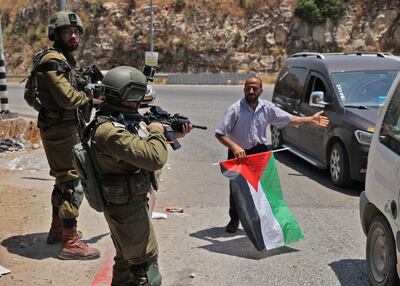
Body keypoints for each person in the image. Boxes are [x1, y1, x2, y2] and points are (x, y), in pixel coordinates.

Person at [89, 66, 191, 286]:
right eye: (133, 97)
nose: (137, 103)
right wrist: (157, 130)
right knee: (146, 270)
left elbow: (140, 144)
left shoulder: (115, 122)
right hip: (127, 210)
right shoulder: (108, 131)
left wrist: (171, 133)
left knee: (125, 262)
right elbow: (154, 157)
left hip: (128, 205)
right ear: (117, 96)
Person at [215, 76, 329, 233]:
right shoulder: (235, 109)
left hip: (259, 152)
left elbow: (290, 119)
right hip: (238, 153)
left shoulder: (267, 108)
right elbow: (220, 133)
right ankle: (234, 219)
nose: (251, 91)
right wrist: (234, 147)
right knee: (238, 189)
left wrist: (310, 119)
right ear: (244, 90)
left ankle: (265, 221)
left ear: (261, 90)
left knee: (265, 189)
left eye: (255, 88)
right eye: (248, 87)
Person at [36, 11, 100, 259]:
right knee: (73, 181)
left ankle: (57, 231)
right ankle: (70, 242)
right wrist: (94, 97)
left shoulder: (64, 60)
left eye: (76, 32)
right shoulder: (52, 60)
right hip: (61, 131)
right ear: (55, 34)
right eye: (66, 32)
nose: (73, 36)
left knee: (63, 180)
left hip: (63, 128)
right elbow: (67, 98)